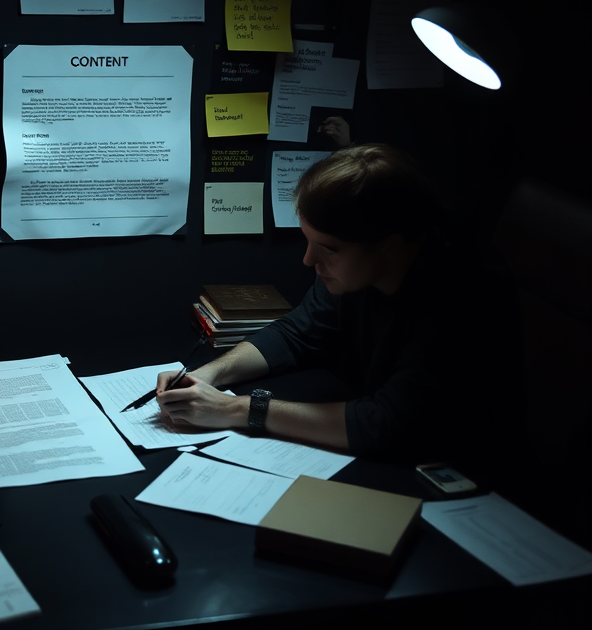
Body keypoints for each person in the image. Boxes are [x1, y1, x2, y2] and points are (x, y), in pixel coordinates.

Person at [157, 143, 510, 468]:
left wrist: (235, 409)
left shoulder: (461, 295)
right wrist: (208, 375)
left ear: (390, 245)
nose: (308, 260)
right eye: (308, 241)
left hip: (459, 471)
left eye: (329, 249)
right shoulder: (355, 269)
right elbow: (297, 333)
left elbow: (386, 424)